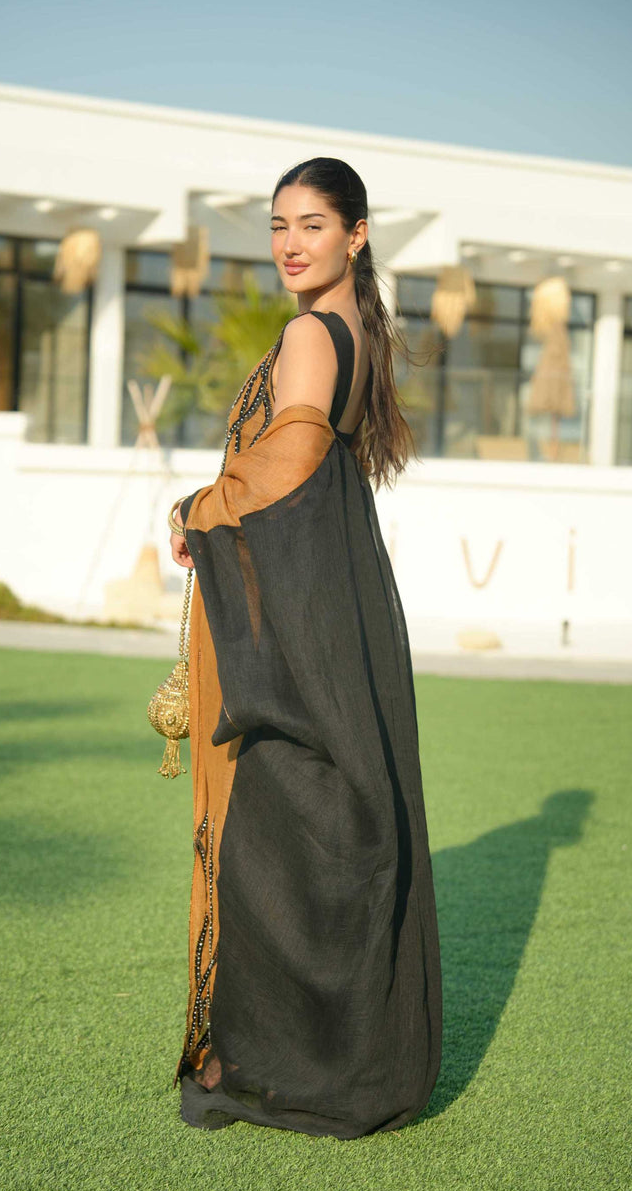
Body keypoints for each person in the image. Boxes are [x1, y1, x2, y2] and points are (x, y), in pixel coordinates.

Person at [166, 156, 442, 1138]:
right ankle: (333, 1057)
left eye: (314, 225)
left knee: (279, 823)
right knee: (332, 816)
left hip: (301, 614)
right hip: (341, 604)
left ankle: (283, 1065)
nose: (290, 242)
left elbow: (290, 450)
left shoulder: (308, 334)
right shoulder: (362, 332)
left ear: (356, 236)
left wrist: (203, 506)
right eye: (281, 223)